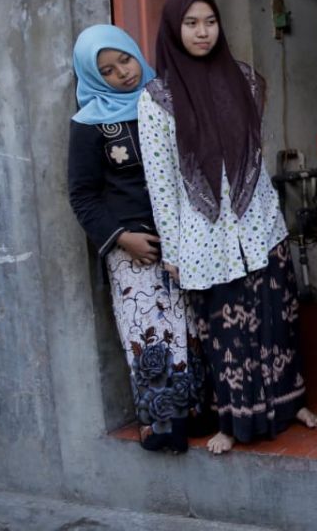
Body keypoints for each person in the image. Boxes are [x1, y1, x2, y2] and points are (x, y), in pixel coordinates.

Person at [137, 0, 317, 455]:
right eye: (192, 23)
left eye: (210, 22)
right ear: (174, 30)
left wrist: (273, 223)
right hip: (204, 237)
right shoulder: (157, 99)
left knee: (276, 321)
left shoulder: (245, 80)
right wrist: (174, 252)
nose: (203, 32)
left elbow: (253, 164)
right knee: (224, 332)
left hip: (259, 227)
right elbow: (161, 184)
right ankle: (231, 421)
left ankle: (290, 402)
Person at [67, 24, 212, 453]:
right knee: (151, 333)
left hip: (183, 240)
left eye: (125, 60)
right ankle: (165, 425)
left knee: (190, 327)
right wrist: (122, 238)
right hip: (134, 251)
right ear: (93, 77)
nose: (123, 74)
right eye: (107, 70)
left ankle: (201, 413)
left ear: (136, 53)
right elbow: (82, 194)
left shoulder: (165, 101)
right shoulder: (89, 124)